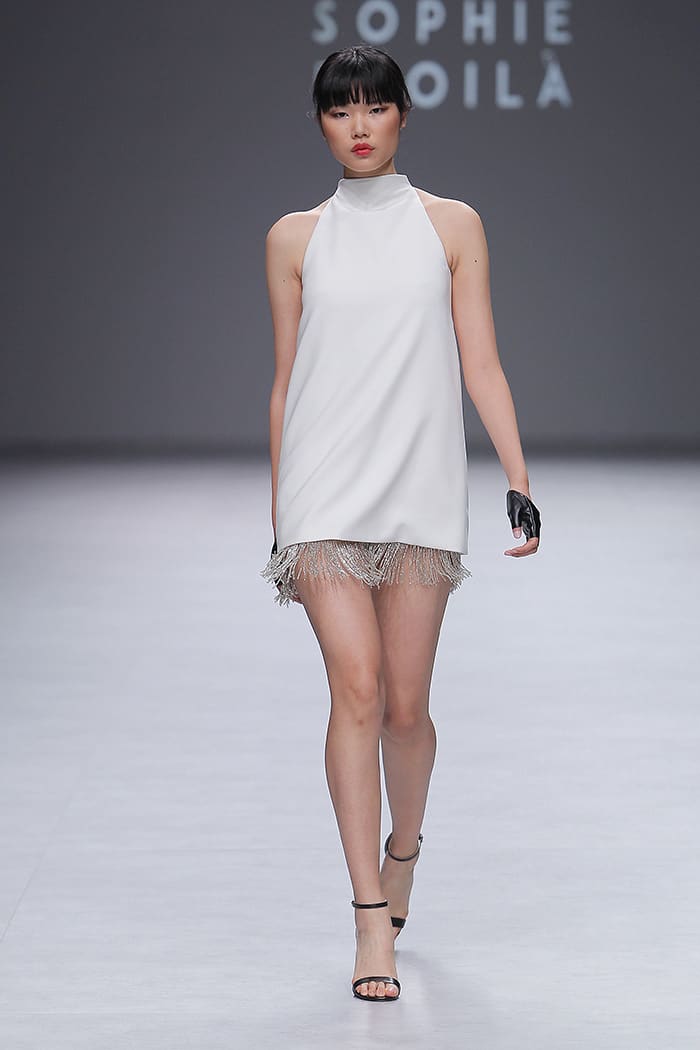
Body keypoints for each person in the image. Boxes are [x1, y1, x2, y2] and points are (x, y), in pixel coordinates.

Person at [260, 44, 541, 1002]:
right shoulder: (293, 239)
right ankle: (369, 918)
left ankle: (405, 849)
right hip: (323, 490)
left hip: (419, 483)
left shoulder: (451, 225)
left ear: (402, 117)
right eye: (341, 110)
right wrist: (282, 512)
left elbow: (481, 361)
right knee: (359, 691)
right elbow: (287, 379)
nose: (360, 125)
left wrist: (517, 476)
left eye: (375, 107)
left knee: (408, 709)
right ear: (320, 123)